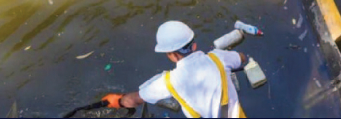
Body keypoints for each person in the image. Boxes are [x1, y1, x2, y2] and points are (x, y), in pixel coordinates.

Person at [102, 21, 248, 118]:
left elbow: (135, 100)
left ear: (171, 55)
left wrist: (118, 101)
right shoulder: (218, 58)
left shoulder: (168, 82)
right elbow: (241, 58)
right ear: (194, 45)